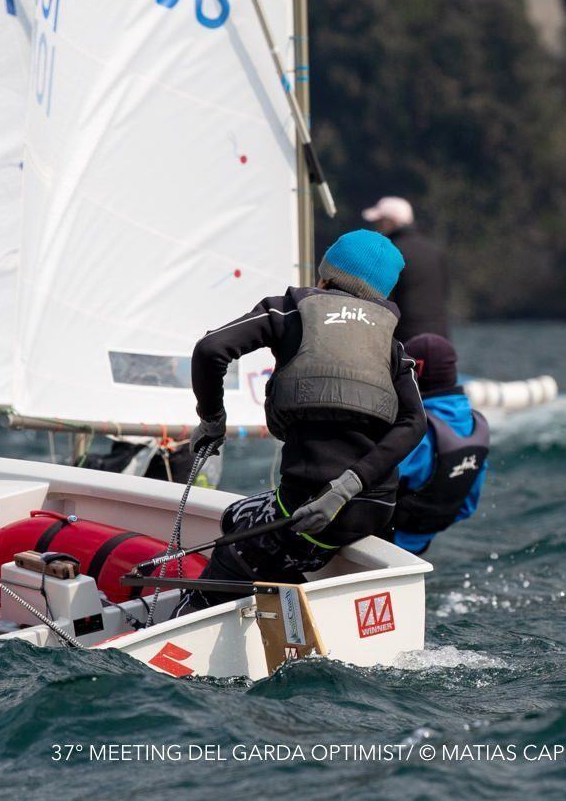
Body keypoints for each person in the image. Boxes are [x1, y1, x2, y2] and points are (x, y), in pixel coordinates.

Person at [178, 230, 427, 613]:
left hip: (308, 510)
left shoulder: (289, 311)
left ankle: (231, 609)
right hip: (373, 511)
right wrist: (347, 487)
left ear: (325, 275)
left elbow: (211, 349)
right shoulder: (391, 345)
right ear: (381, 296)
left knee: (229, 551)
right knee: (236, 516)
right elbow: (414, 422)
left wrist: (212, 421)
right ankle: (290, 596)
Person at [388, 334, 489, 556]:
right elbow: (467, 507)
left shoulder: (415, 431)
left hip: (383, 542)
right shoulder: (475, 424)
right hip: (420, 542)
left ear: (413, 373)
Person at [362, 195, 450, 343]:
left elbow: (381, 302)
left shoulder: (388, 253)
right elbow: (444, 292)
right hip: (439, 340)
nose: (376, 228)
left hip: (404, 342)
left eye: (379, 222)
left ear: (392, 222)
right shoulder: (434, 252)